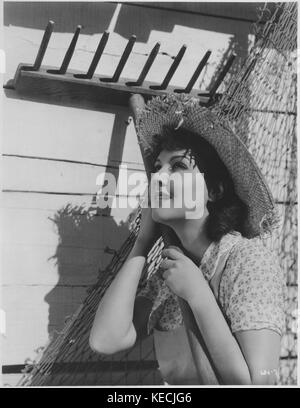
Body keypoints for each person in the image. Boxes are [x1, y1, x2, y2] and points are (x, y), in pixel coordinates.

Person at [89, 94, 286, 385]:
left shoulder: (247, 261)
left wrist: (198, 295)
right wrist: (142, 243)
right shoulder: (171, 271)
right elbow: (106, 340)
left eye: (178, 167)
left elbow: (259, 382)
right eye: (156, 168)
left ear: (214, 190)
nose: (158, 178)